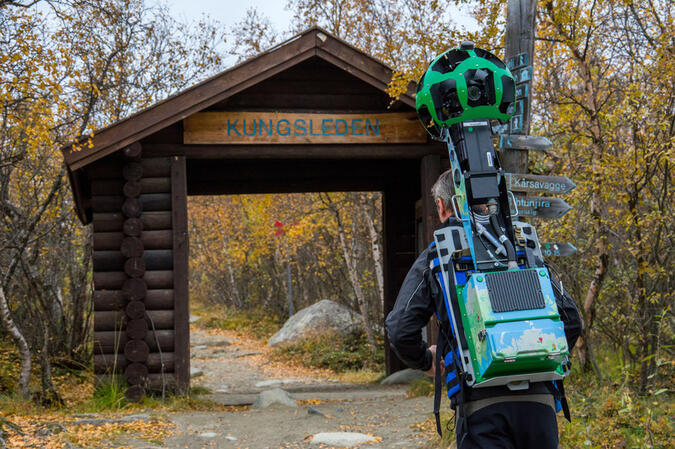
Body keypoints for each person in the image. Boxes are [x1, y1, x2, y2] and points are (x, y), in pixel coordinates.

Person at [385, 169, 582, 449]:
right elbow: (571, 321)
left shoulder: (440, 255)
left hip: (479, 403)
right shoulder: (523, 248)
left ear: (442, 206)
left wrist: (425, 361)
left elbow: (400, 329)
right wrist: (540, 360)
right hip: (540, 403)